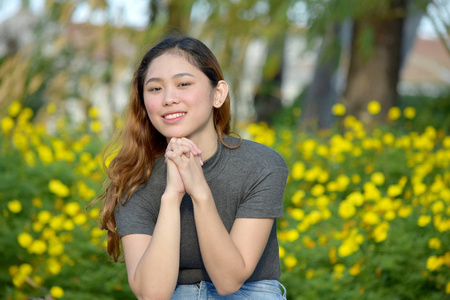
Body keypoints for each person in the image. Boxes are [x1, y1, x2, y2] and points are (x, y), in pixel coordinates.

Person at [95, 35, 289, 299]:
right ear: (144, 102)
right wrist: (171, 197)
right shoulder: (134, 177)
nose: (169, 98)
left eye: (183, 84)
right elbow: (151, 294)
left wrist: (199, 191)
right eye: (155, 89)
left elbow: (229, 281)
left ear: (217, 94)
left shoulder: (261, 165)